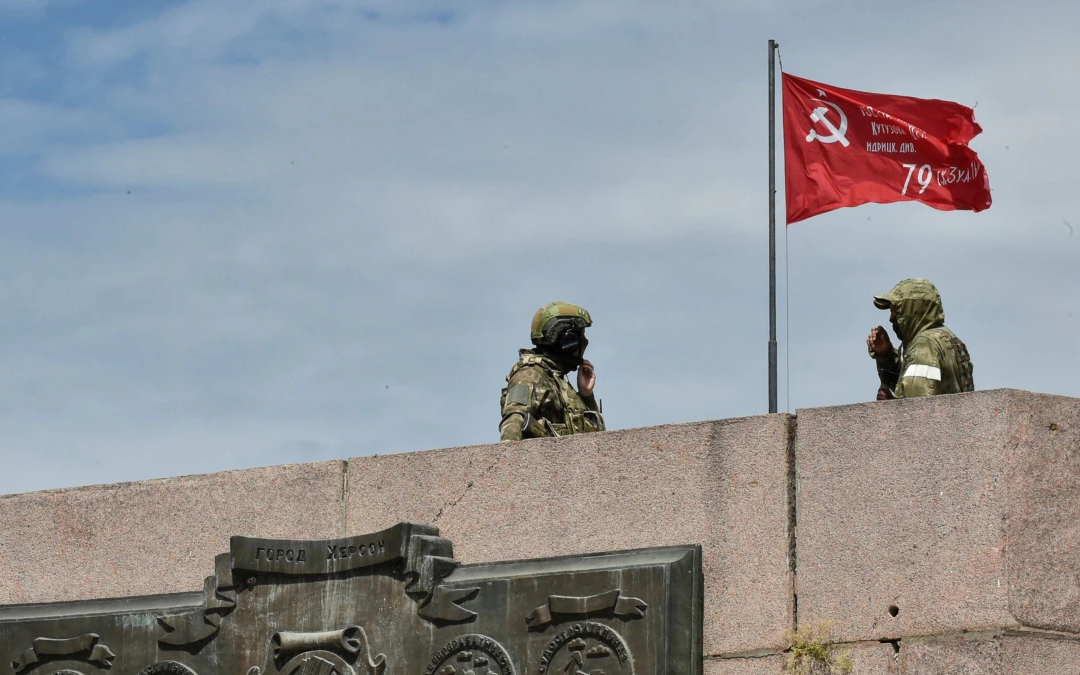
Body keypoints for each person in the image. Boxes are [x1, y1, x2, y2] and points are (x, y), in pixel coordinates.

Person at [499, 302, 605, 441]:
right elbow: (513, 423)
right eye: (581, 335)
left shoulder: (558, 381)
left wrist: (586, 395)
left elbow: (593, 442)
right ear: (568, 341)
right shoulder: (530, 374)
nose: (584, 341)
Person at [867, 278, 974, 400]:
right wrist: (886, 355)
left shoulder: (925, 344)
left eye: (895, 310)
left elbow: (917, 409)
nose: (891, 317)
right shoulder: (943, 337)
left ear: (913, 309)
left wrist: (889, 408)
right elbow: (912, 384)